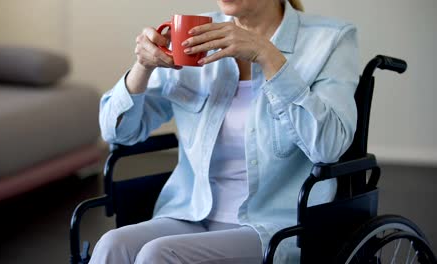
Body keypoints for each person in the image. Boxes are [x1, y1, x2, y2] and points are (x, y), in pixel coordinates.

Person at [91, 0, 359, 263]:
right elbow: (117, 132)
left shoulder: (330, 40)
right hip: (190, 212)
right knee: (112, 245)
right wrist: (143, 67)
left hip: (276, 226)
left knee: (158, 254)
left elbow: (329, 146)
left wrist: (267, 56)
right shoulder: (194, 34)